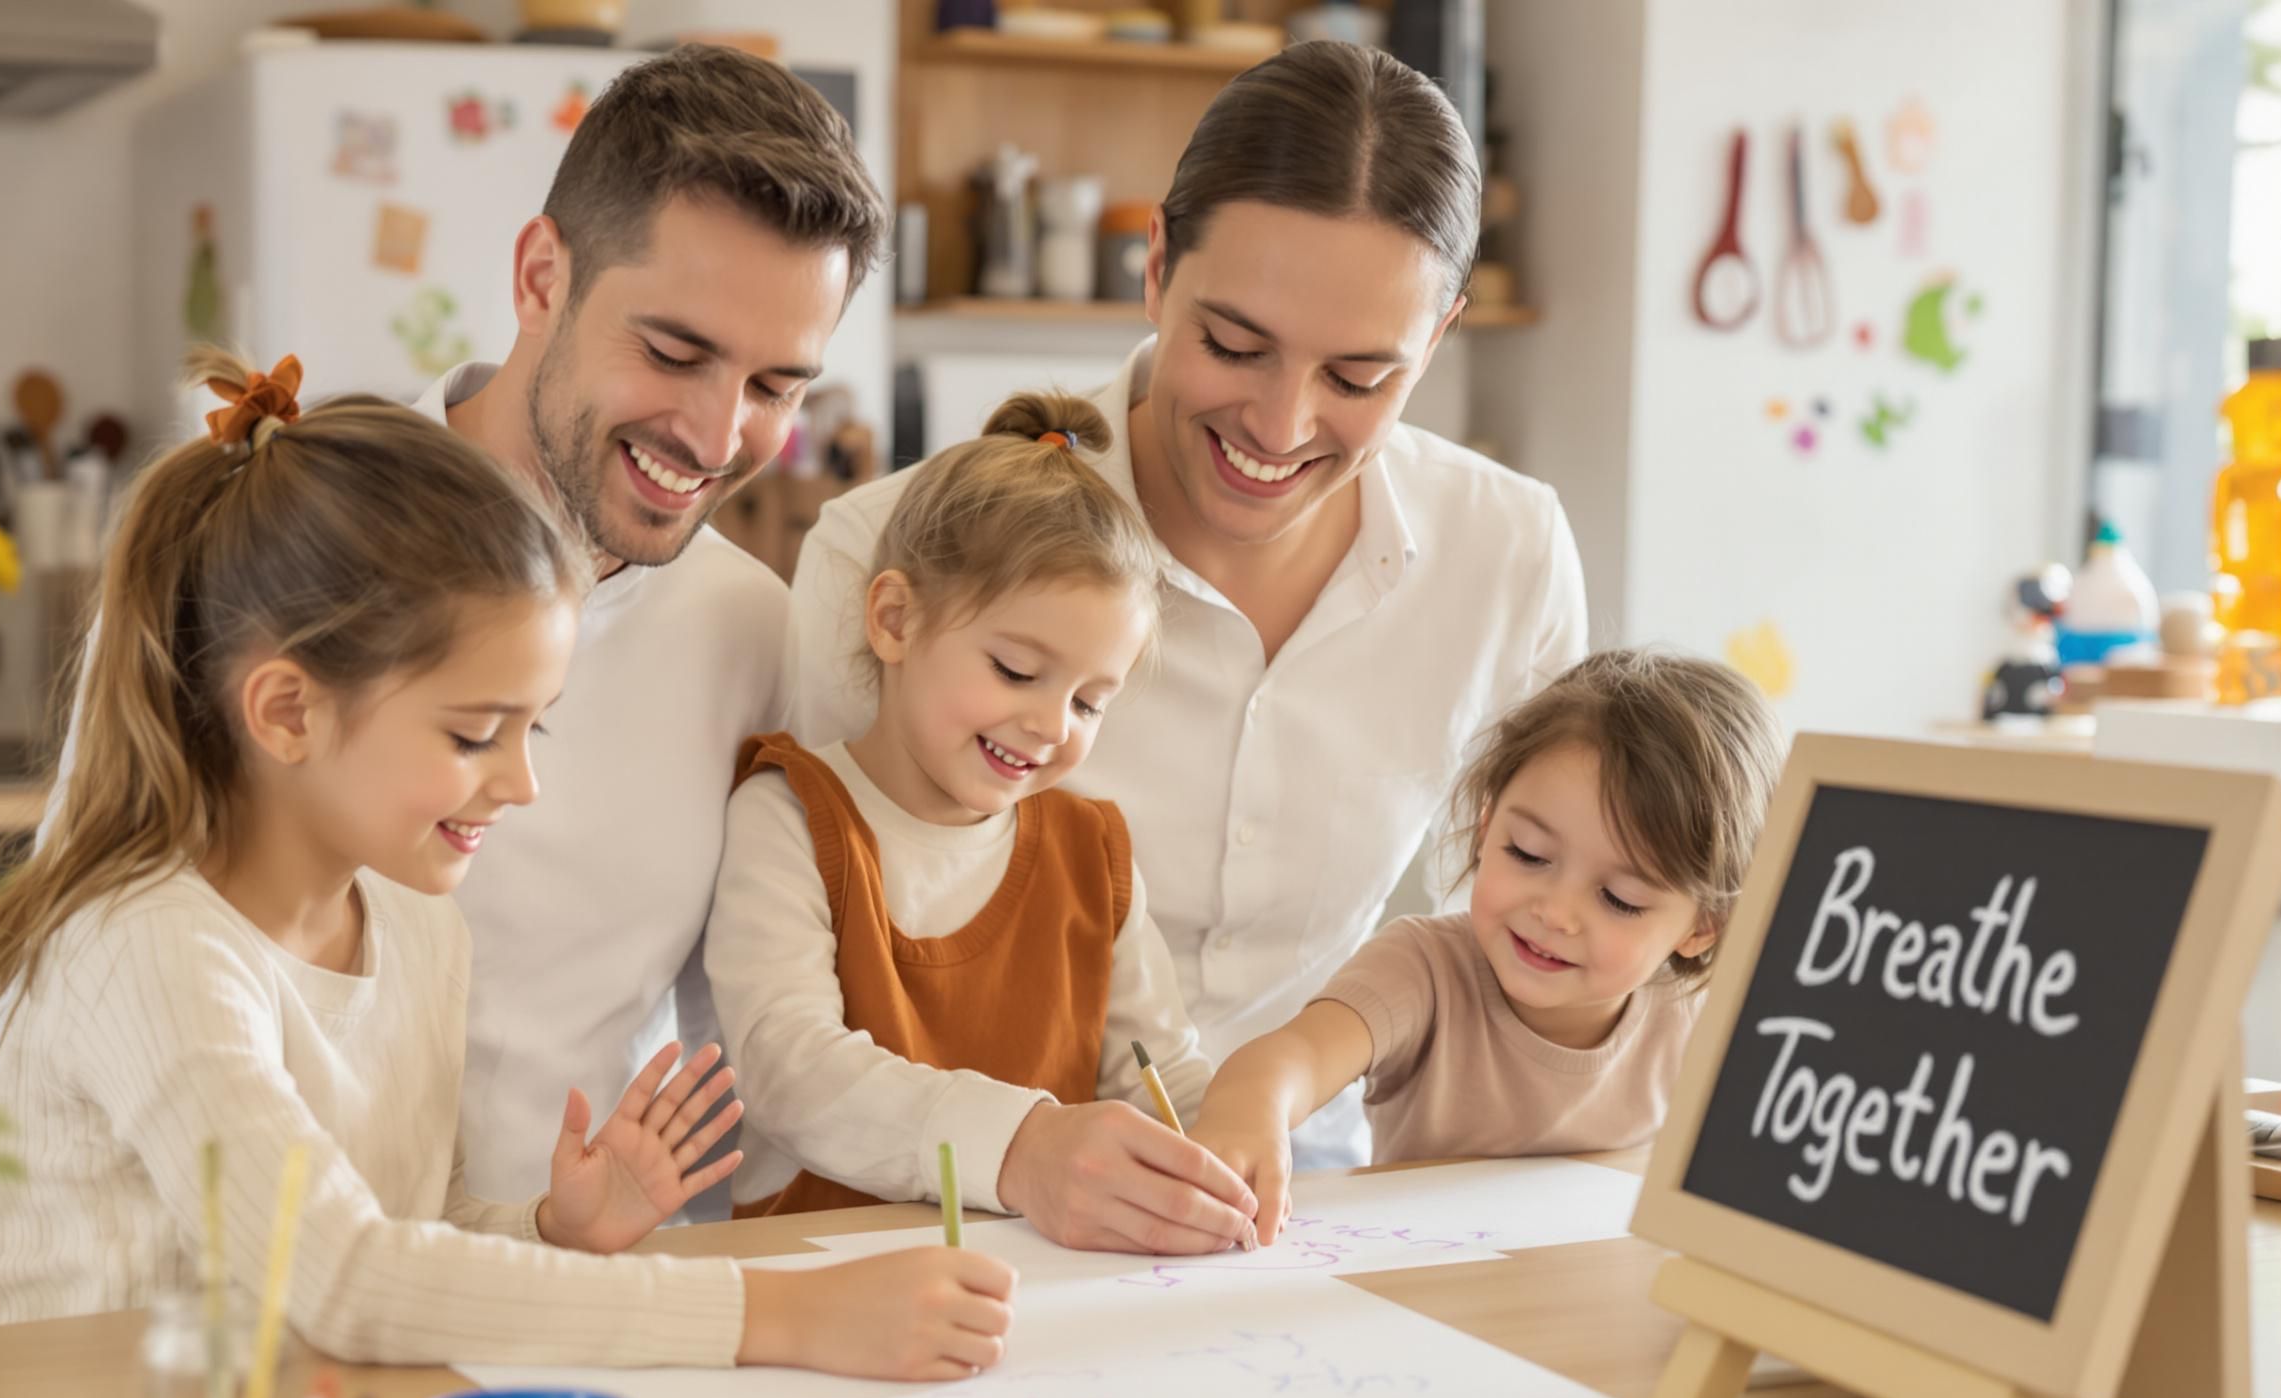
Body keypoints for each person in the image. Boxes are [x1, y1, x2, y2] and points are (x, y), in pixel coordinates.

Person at [0, 354, 1016, 1378]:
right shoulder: (146, 945)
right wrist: (775, 1314)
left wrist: (550, 1226)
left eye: (533, 732)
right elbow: (339, 1274)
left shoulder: (412, 923)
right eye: (473, 735)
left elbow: (418, 1231)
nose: (519, 785)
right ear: (288, 713)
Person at [6, 47, 894, 1208]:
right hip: (252, 1298)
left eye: (777, 387)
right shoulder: (283, 546)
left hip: (578, 1293)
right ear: (539, 276)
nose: (717, 433)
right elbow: (62, 968)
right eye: (674, 353)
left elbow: (753, 1047)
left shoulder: (752, 634)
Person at [788, 41, 1589, 1181]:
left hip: (1304, 1205)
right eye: (1231, 344)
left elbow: (1516, 946)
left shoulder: (1505, 554)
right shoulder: (891, 556)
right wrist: (1014, 1155)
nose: (1279, 423)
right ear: (1153, 266)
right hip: (948, 1212)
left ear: (1441, 334)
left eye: (1360, 378)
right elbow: (792, 1005)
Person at [707, 393, 1257, 1252]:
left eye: (1088, 701)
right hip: (821, 1294)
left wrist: (1226, 1148)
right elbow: (787, 1068)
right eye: (1015, 670)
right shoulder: (790, 816)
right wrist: (1020, 1147)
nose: (1051, 725)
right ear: (894, 619)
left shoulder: (1093, 855)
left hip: (1039, 1297)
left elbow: (1157, 1074)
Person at [1191, 650, 1785, 1241]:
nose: (1554, 912)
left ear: (1702, 927)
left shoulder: (1699, 1019)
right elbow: (1293, 1058)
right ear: (1486, 823)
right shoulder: (1423, 970)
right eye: (1527, 853)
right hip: (1423, 1295)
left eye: (1619, 898)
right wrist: (1250, 1111)